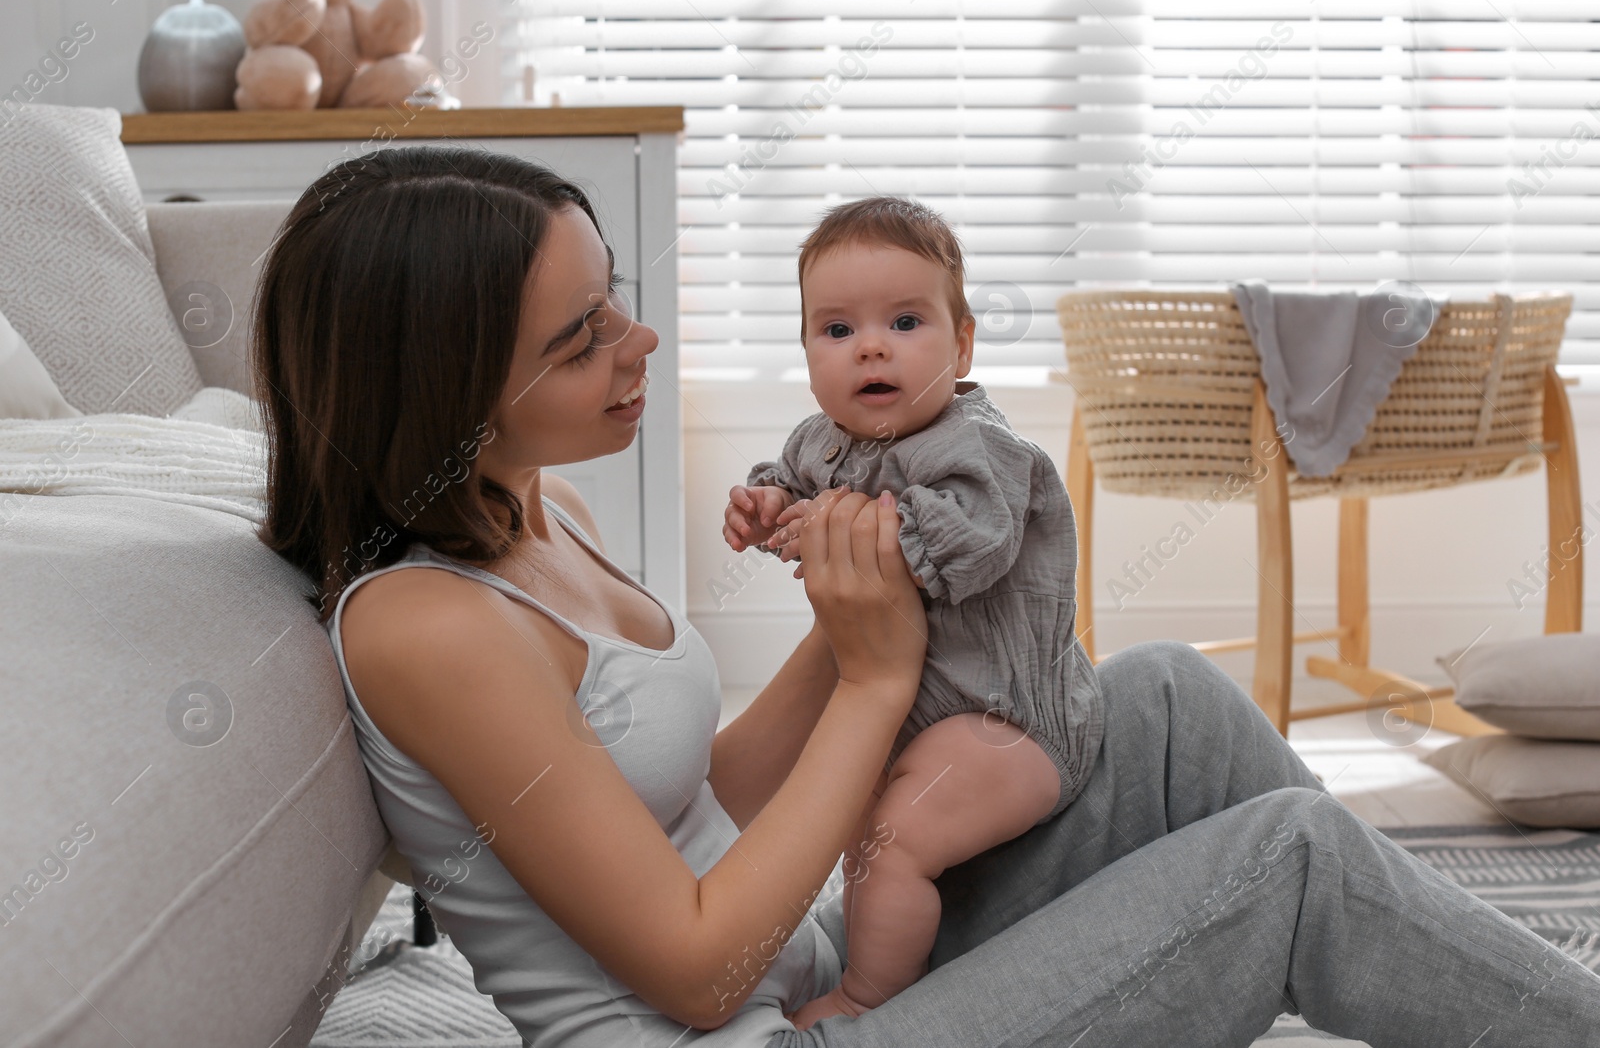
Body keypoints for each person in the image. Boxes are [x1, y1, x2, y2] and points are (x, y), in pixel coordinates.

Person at [254, 145, 1600, 1048]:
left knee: (1167, 695)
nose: (640, 340)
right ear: (443, 391)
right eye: (582, 335)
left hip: (816, 969)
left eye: (618, 301)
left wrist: (856, 615)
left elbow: (689, 795)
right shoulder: (424, 623)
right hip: (771, 1019)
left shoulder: (541, 510)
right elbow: (692, 968)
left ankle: (1483, 980)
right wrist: (880, 674)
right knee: (1290, 861)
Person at [724, 197, 1102, 1030]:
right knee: (859, 831)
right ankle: (928, 950)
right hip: (914, 713)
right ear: (808, 351)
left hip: (1008, 718)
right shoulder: (819, 441)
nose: (871, 346)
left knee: (894, 843)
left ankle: (871, 1002)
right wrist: (765, 507)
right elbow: (791, 484)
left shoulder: (982, 448)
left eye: (904, 321)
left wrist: (871, 530)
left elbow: (974, 543)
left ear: (961, 343)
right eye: (836, 330)